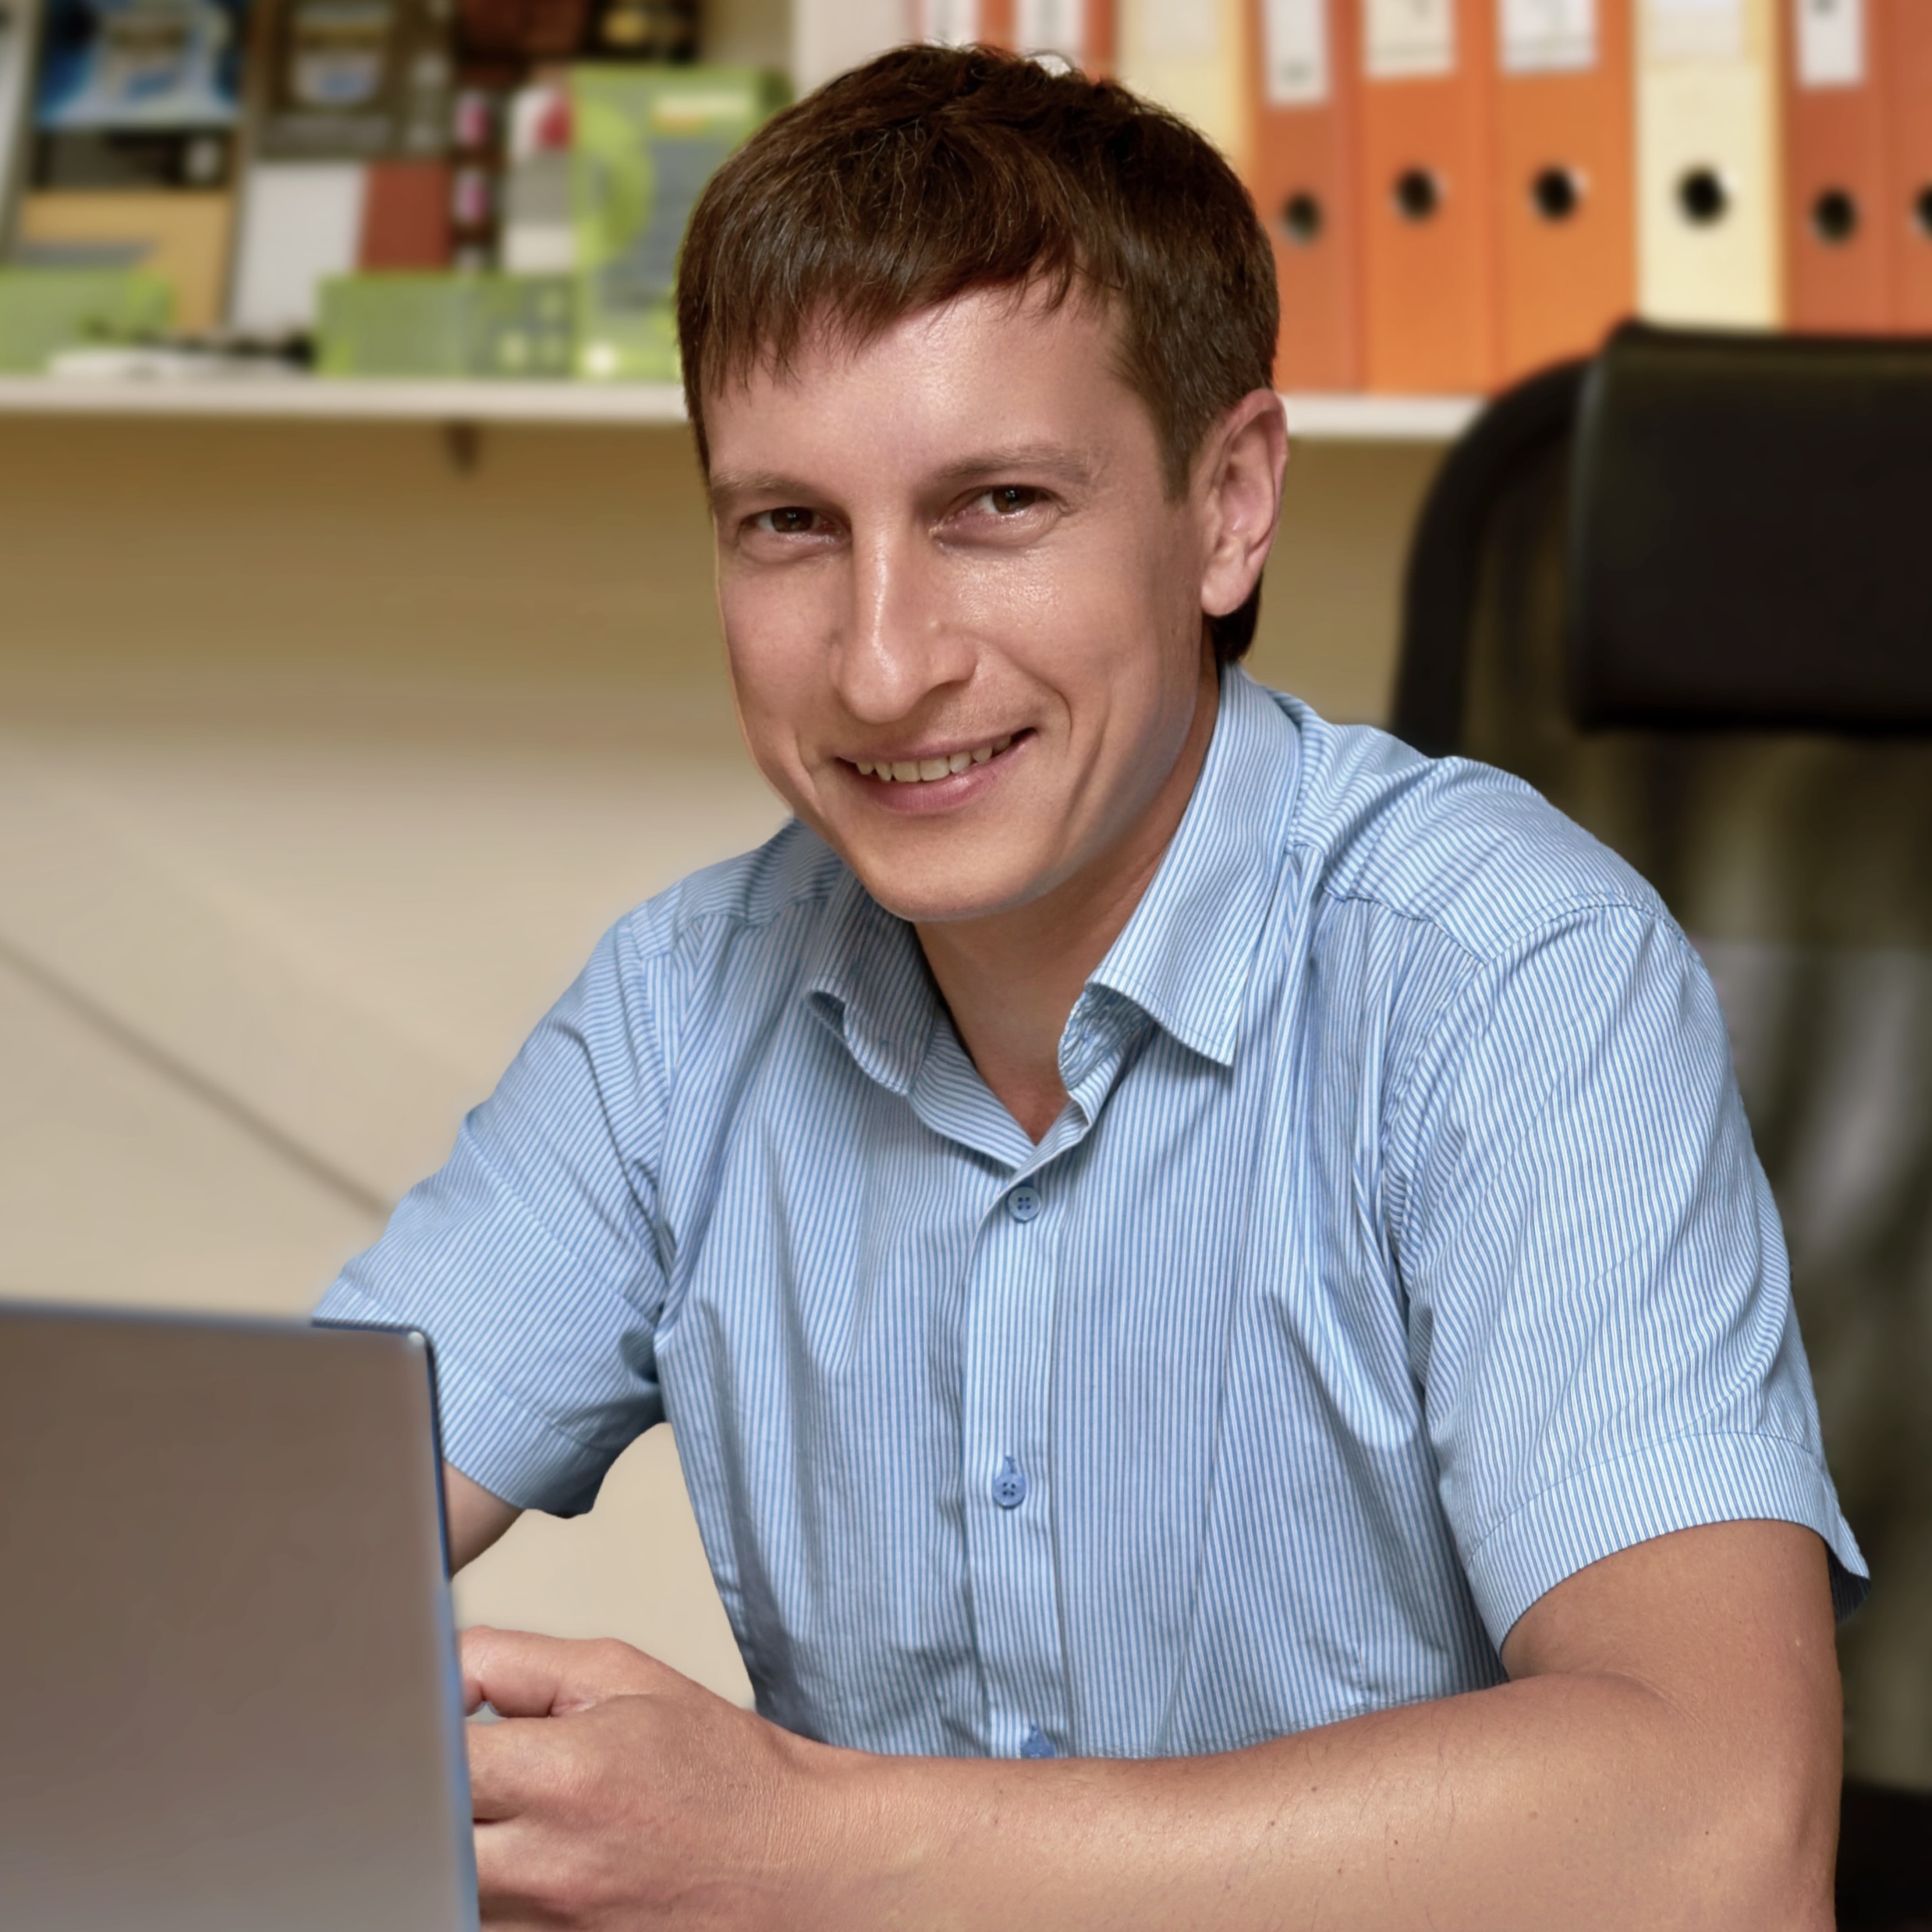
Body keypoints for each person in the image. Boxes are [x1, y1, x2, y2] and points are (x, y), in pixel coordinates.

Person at [317, 44, 1866, 1930]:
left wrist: (809, 1848)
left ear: (1229, 506)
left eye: (994, 505)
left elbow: (1721, 1837)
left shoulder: (1506, 982)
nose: (881, 666)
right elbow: (235, 1556)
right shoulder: (682, 1011)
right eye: (788, 524)